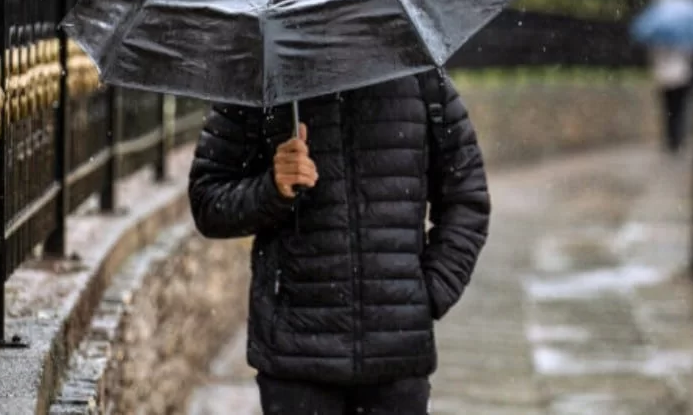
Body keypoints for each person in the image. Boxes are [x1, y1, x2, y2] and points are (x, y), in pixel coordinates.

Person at [188, 69, 490, 414]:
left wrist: (429, 292)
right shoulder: (261, 80)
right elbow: (207, 202)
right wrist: (273, 188)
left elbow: (467, 199)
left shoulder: (420, 76)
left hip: (396, 358)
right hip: (296, 356)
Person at [650, 44, 693, 153]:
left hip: (666, 79)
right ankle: (678, 137)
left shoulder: (659, 43)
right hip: (680, 78)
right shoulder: (684, 42)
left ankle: (672, 138)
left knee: (670, 110)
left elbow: (655, 60)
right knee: (679, 110)